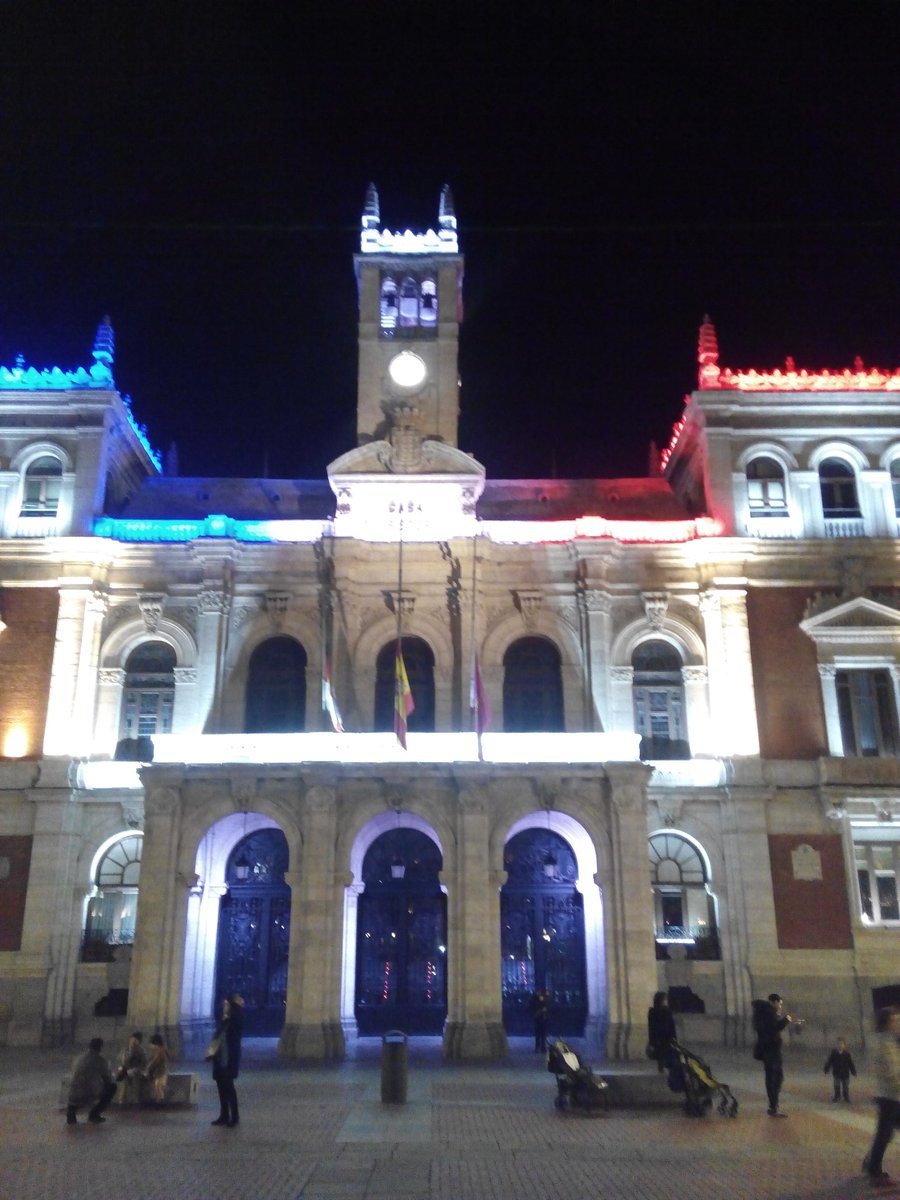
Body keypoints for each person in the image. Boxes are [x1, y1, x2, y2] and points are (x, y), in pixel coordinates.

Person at [863, 1005, 900, 1187]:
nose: (898, 1024)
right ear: (887, 1023)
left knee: (885, 1133)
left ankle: (870, 1162)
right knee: (884, 1133)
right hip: (889, 1095)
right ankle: (873, 1168)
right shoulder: (884, 1043)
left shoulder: (884, 1040)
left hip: (888, 1094)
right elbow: (892, 1073)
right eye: (895, 1021)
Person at [752, 992, 801, 1117]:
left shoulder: (762, 1012)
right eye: (779, 1003)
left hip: (767, 1049)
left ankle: (773, 1105)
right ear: (774, 1002)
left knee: (773, 1077)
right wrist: (786, 1019)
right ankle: (773, 1106)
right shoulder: (769, 1012)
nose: (780, 1006)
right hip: (771, 1050)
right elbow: (774, 1027)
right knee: (776, 1078)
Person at [66, 1036, 117, 1126]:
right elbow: (107, 1079)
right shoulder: (100, 1060)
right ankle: (94, 1114)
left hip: (72, 1092)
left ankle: (71, 1112)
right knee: (112, 1087)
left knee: (78, 1090)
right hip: (88, 1093)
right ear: (100, 1047)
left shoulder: (79, 1058)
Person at [211, 993, 244, 1127]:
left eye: (226, 1004)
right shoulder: (223, 1021)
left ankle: (234, 1116)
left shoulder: (236, 1019)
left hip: (229, 1057)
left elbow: (234, 1035)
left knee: (229, 1087)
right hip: (219, 1057)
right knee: (221, 1086)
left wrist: (228, 1017)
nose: (224, 1007)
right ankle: (224, 1114)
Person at [647, 991, 677, 1071]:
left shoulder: (654, 1012)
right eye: (665, 999)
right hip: (663, 1037)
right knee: (665, 1053)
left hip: (661, 1037)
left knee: (665, 1054)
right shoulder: (664, 1011)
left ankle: (665, 1066)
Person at [116, 1030, 147, 1103]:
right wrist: (120, 1068)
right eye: (132, 1039)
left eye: (136, 1040)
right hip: (125, 1071)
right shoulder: (124, 1050)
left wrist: (135, 1069)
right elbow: (119, 1060)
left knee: (136, 1082)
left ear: (139, 1042)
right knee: (123, 1081)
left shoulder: (140, 1051)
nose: (133, 1042)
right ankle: (122, 1100)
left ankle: (135, 1100)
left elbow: (143, 1063)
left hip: (136, 1071)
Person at [823, 1036, 856, 1103]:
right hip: (837, 1073)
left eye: (841, 1044)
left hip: (845, 1073)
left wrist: (853, 1071)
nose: (840, 1045)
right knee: (836, 1085)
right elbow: (830, 1061)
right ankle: (837, 1096)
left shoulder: (847, 1054)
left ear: (844, 1045)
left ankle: (846, 1097)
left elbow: (850, 1063)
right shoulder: (834, 1053)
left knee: (845, 1086)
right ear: (836, 1045)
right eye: (838, 1044)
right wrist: (826, 1068)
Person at [143, 1033, 170, 1103]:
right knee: (157, 1087)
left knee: (158, 1087)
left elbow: (155, 1061)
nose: (151, 1046)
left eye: (152, 1044)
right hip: (160, 1072)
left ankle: (160, 1101)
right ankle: (159, 1100)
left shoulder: (160, 1051)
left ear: (156, 1044)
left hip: (161, 1072)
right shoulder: (161, 1050)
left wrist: (148, 1067)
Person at [530, 988, 550, 1053]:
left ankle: (542, 1047)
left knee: (543, 1034)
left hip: (543, 1018)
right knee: (538, 1034)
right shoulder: (534, 999)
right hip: (538, 1018)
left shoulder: (545, 999)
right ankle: (538, 1047)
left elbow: (547, 1005)